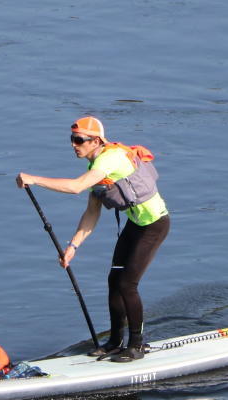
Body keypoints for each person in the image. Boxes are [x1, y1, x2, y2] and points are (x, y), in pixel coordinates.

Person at [16, 116, 169, 362]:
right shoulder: (95, 166)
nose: (74, 145)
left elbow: (76, 187)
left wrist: (35, 179)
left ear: (95, 141)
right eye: (72, 139)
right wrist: (72, 246)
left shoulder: (110, 158)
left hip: (154, 225)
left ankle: (137, 345)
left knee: (127, 285)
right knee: (114, 280)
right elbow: (91, 213)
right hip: (136, 224)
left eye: (79, 140)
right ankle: (115, 342)